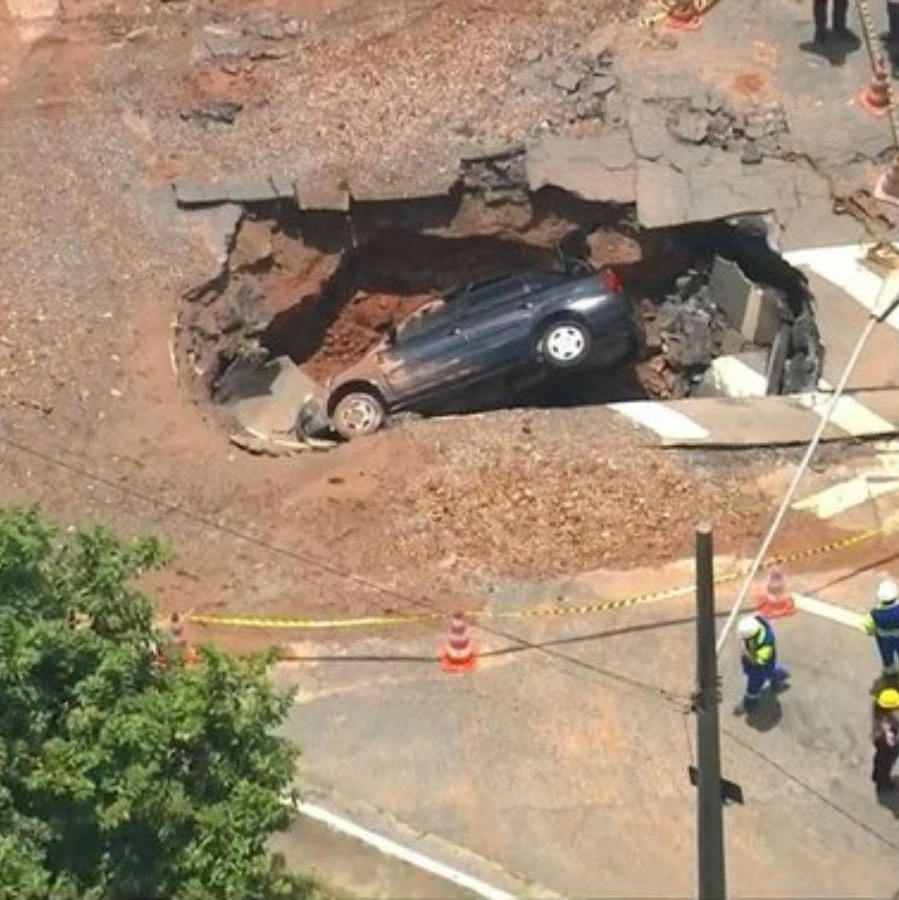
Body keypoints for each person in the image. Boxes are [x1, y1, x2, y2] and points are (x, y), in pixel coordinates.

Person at [737, 614, 790, 713]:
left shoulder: (766, 645)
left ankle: (749, 704)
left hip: (760, 666)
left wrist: (746, 654)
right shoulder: (756, 622)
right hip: (756, 660)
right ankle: (779, 676)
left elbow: (757, 661)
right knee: (770, 673)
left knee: (753, 685)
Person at [862, 578, 899, 681]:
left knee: (886, 654)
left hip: (884, 639)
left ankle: (890, 669)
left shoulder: (875, 613)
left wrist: (871, 632)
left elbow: (868, 626)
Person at [871, 687, 899, 793]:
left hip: (879, 741)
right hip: (886, 745)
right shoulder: (886, 726)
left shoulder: (879, 709)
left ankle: (876, 776)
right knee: (885, 763)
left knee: (879, 760)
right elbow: (891, 740)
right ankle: (884, 783)